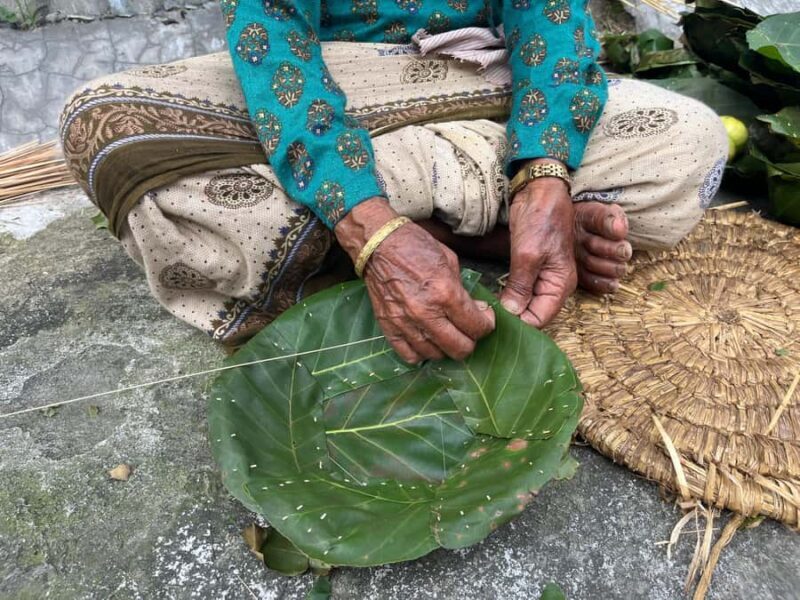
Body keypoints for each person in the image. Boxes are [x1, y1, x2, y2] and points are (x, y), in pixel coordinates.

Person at [59, 0, 728, 361]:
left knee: (688, 140)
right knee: (107, 131)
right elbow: (274, 46)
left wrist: (544, 174)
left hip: (480, 86)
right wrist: (369, 226)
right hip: (332, 90)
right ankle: (469, 235)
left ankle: (439, 226)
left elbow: (550, 21)